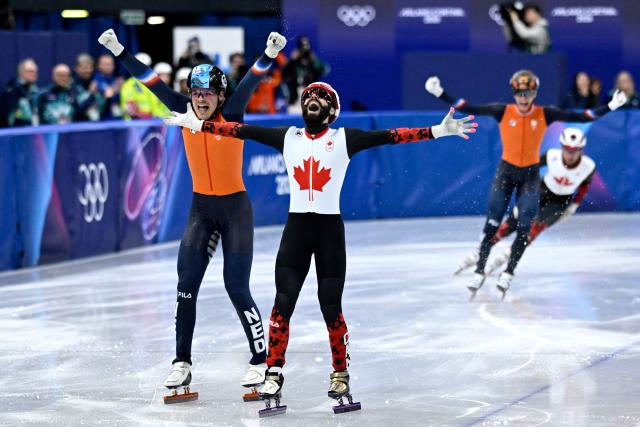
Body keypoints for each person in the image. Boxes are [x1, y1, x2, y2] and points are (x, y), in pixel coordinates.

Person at [163, 82, 477, 415]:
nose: (314, 101)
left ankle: (340, 373)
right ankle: (273, 371)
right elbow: (240, 130)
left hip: (329, 234)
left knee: (331, 307)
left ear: (333, 111)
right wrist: (198, 125)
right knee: (282, 305)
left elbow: (391, 135)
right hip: (296, 232)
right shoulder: (288, 137)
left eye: (322, 99)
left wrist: (437, 131)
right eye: (309, 97)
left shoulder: (345, 139)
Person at [99, 28, 287, 402]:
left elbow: (250, 80)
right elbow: (148, 79)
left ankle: (261, 359)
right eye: (196, 94)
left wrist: (268, 53)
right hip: (201, 210)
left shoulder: (232, 113)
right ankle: (181, 361)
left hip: (235, 209)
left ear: (219, 95)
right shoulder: (183, 111)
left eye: (207, 94)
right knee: (186, 286)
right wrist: (120, 50)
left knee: (237, 287)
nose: (200, 101)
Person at [425, 70, 627, 299]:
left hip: (530, 177)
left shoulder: (545, 113)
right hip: (506, 173)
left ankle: (508, 272)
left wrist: (611, 106)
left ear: (535, 93)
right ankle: (479, 269)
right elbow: (468, 107)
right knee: (492, 223)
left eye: (528, 93)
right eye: (520, 93)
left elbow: (584, 117)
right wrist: (440, 93)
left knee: (524, 227)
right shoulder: (503, 111)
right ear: (514, 93)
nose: (524, 98)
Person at [463, 127, 596, 276]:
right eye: (567, 149)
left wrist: (574, 206)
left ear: (582, 150)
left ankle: (507, 254)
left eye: (575, 150)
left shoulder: (588, 166)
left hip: (560, 202)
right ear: (561, 146)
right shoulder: (551, 156)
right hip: (541, 190)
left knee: (536, 227)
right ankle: (482, 250)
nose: (570, 154)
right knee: (512, 223)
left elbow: (584, 186)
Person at [282, 36, 329, 111]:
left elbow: (324, 70)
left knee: (311, 117)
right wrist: (291, 60)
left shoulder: (312, 60)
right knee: (293, 118)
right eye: (302, 46)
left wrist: (314, 60)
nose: (304, 48)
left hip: (310, 95)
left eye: (307, 45)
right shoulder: (294, 61)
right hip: (295, 96)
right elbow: (283, 73)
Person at [0, 58, 39, 127]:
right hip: (16, 133)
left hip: (35, 132)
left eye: (35, 71)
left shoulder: (37, 91)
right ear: (21, 72)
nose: (33, 74)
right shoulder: (11, 90)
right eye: (30, 71)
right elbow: (7, 117)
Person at [93, 54, 123, 119]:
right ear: (98, 66)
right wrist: (115, 88)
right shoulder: (96, 79)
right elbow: (108, 94)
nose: (108, 67)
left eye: (110, 64)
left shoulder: (117, 78)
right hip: (102, 117)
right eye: (105, 64)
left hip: (117, 118)